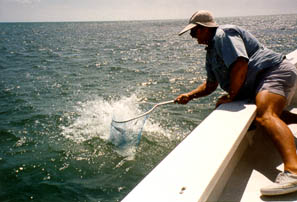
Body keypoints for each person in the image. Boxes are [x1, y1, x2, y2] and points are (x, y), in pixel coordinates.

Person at [175, 10, 297, 196]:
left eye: (194, 32)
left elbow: (240, 64)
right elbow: (210, 85)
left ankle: (294, 172)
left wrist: (232, 96)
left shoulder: (225, 34)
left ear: (204, 29)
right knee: (272, 114)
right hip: (259, 81)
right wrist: (189, 95)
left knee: (265, 115)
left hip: (272, 71)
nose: (192, 37)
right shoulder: (210, 53)